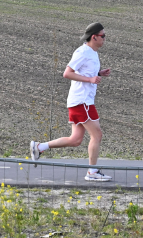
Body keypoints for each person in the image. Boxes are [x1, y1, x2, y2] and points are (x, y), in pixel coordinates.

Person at [30, 22, 112, 181]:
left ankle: (39, 147)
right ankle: (92, 172)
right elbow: (67, 73)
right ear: (93, 37)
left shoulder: (92, 52)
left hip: (80, 101)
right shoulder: (83, 52)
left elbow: (86, 72)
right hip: (82, 102)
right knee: (97, 134)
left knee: (75, 140)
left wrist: (99, 74)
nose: (104, 39)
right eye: (102, 36)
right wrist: (90, 79)